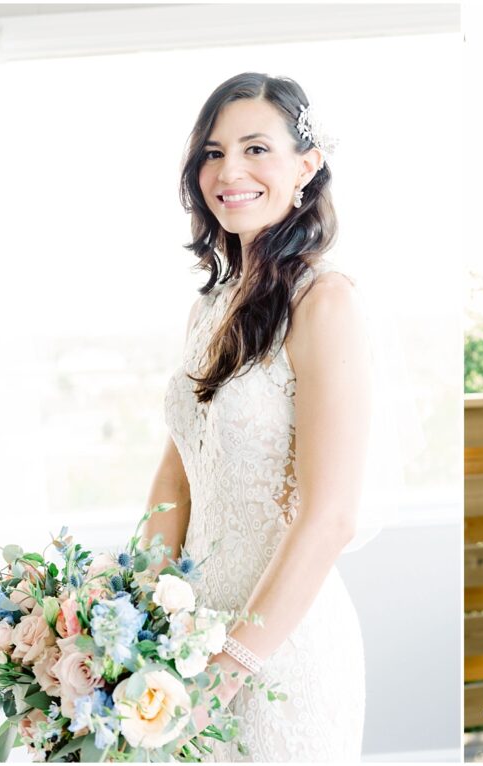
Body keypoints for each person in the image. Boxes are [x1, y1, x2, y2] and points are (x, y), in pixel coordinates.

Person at [144, 72, 368, 761]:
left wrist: (230, 668)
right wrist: (134, 617)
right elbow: (176, 483)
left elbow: (330, 516)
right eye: (212, 153)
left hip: (281, 651)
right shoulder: (205, 309)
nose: (229, 171)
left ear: (307, 164)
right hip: (188, 644)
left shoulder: (324, 303)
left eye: (254, 149)